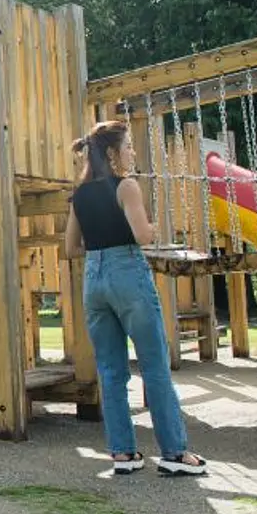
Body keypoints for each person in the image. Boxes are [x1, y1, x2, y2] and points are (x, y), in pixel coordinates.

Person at [63, 121, 207, 476]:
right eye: (127, 146)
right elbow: (142, 236)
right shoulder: (126, 186)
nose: (132, 152)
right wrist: (153, 228)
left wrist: (100, 249)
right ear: (112, 153)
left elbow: (70, 248)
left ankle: (123, 455)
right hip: (127, 271)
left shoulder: (79, 195)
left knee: (111, 370)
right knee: (155, 365)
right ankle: (174, 453)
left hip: (94, 279)